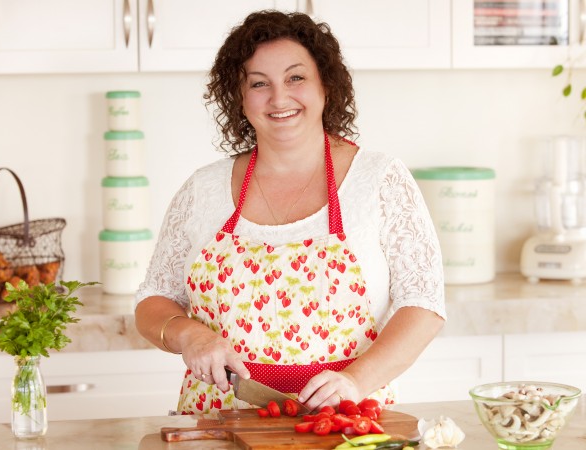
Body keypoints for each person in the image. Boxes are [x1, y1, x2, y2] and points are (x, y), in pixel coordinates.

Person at [134, 9, 446, 415]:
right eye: (258, 84)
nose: (279, 98)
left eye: (295, 77)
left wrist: (356, 381)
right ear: (240, 99)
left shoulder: (380, 180)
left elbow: (422, 304)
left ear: (326, 86)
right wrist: (188, 335)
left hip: (343, 422)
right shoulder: (202, 189)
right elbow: (153, 300)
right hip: (219, 420)